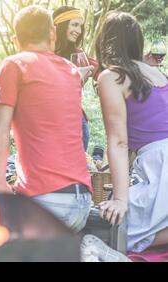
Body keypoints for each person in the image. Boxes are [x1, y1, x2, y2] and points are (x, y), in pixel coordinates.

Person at [0, 5, 92, 233]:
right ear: (53, 34)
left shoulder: (13, 64)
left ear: (15, 40)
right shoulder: (72, 70)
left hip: (46, 202)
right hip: (82, 200)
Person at [95, 11, 168, 253]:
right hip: (157, 164)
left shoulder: (111, 76)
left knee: (113, 228)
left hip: (160, 164)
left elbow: (118, 141)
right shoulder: (157, 73)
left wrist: (120, 199)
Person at [53, 6, 98, 151]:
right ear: (59, 26)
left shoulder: (79, 54)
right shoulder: (45, 54)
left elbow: (103, 69)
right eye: (74, 25)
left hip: (76, 123)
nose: (78, 31)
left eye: (80, 26)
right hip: (50, 122)